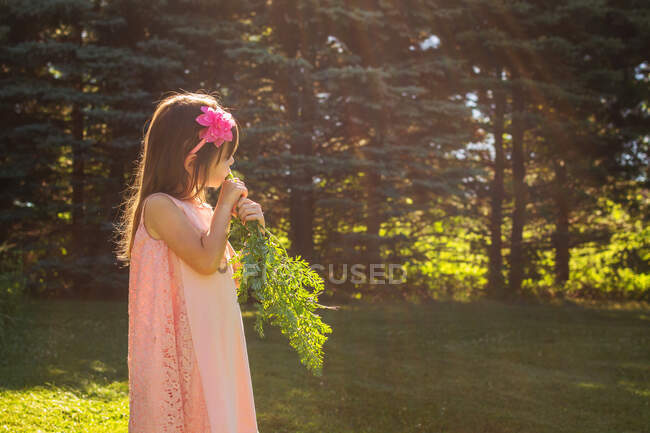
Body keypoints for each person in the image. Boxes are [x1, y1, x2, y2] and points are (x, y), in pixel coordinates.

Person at [114, 91, 264, 432]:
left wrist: (255, 230)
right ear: (190, 158)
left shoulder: (202, 210)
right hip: (188, 343)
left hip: (215, 338)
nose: (231, 168)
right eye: (226, 158)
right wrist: (225, 207)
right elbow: (205, 261)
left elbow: (232, 277)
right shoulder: (160, 206)